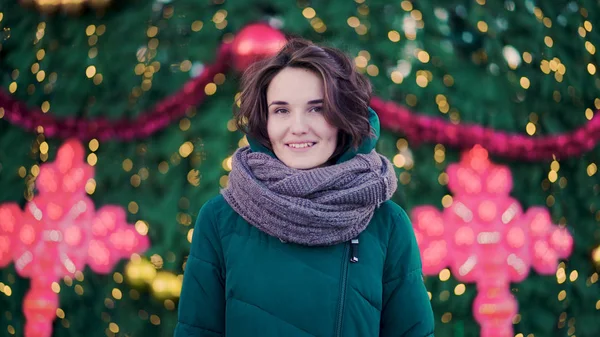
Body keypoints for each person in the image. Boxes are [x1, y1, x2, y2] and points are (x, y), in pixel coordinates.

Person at [174, 38, 435, 337]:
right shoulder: (219, 219)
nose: (297, 127)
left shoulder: (387, 223)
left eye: (316, 109)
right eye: (281, 111)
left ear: (343, 117)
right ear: (264, 122)